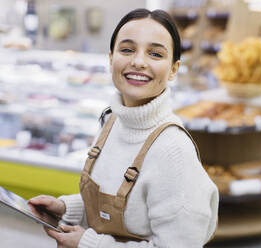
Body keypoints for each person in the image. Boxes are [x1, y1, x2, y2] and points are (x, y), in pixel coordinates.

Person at [28, 8, 219, 248]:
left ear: (173, 69)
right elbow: (129, 211)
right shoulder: (111, 123)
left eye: (155, 54)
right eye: (127, 50)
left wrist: (89, 244)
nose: (138, 62)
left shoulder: (173, 151)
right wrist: (68, 207)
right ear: (110, 59)